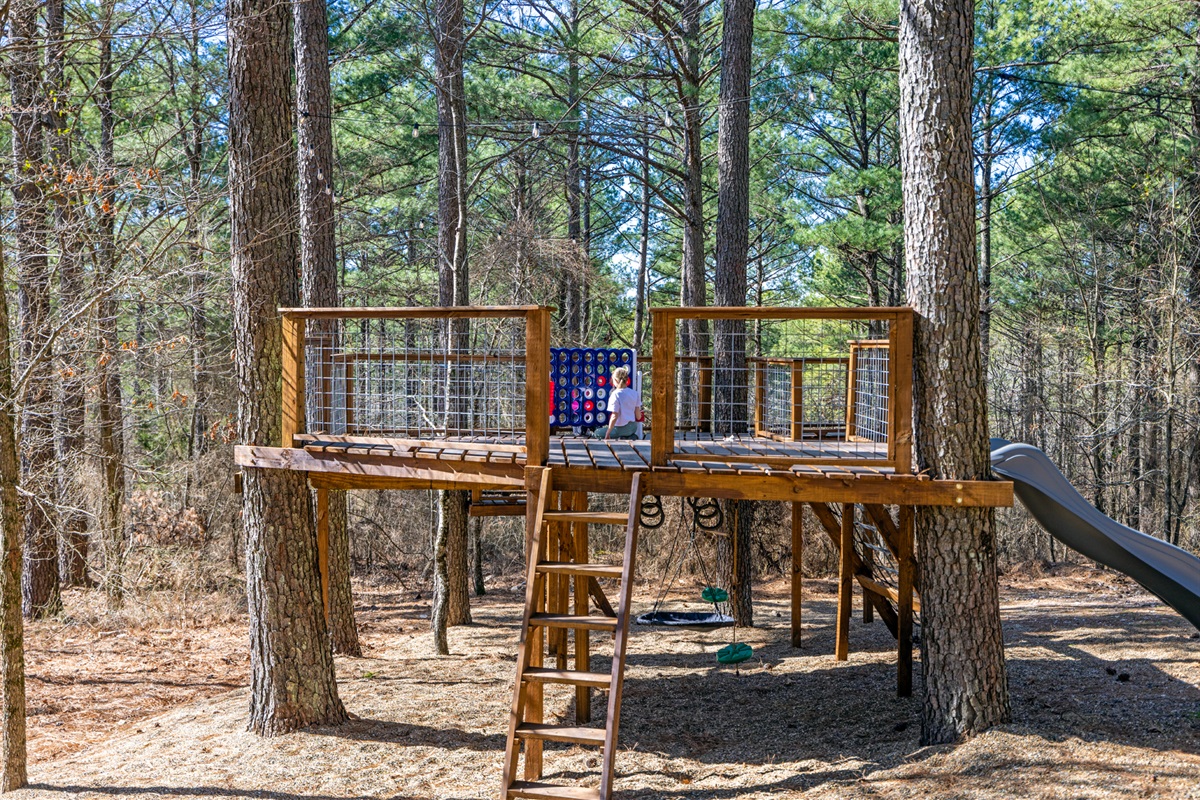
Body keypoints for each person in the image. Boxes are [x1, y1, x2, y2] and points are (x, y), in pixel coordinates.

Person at [596, 366, 642, 439]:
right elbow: (638, 416)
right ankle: (630, 437)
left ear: (616, 380)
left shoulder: (615, 394)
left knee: (597, 433)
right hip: (633, 427)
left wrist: (608, 431)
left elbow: (614, 416)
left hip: (621, 428)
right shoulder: (634, 393)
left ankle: (623, 436)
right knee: (628, 433)